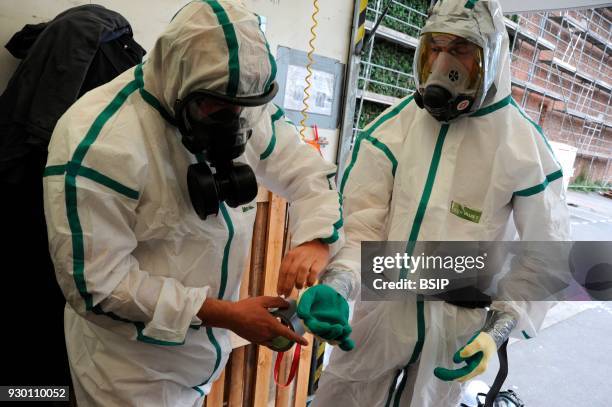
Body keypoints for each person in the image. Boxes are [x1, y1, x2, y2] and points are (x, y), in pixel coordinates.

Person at [43, 1, 345, 406]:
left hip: (202, 359)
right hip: (130, 374)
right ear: (175, 80)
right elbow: (96, 286)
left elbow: (308, 172)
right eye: (218, 109)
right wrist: (222, 313)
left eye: (245, 108)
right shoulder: (99, 144)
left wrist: (315, 238)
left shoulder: (238, 102)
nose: (236, 121)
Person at [312, 0, 570, 406]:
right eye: (436, 47)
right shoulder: (394, 128)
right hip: (381, 310)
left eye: (462, 49)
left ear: (492, 54)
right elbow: (361, 222)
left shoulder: (523, 148)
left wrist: (499, 327)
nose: (444, 63)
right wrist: (340, 282)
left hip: (455, 325)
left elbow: (544, 254)